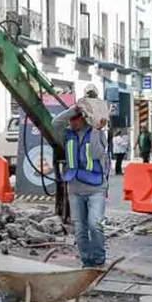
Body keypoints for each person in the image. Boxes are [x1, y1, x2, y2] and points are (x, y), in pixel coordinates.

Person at [51, 98, 110, 268]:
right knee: (79, 228)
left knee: (95, 224)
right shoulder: (67, 134)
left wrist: (96, 129)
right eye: (71, 119)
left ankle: (99, 258)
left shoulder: (97, 133)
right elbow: (56, 122)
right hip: (74, 187)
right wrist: (74, 108)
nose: (71, 122)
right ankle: (87, 261)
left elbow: (96, 152)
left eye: (75, 118)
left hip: (95, 188)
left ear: (83, 119)